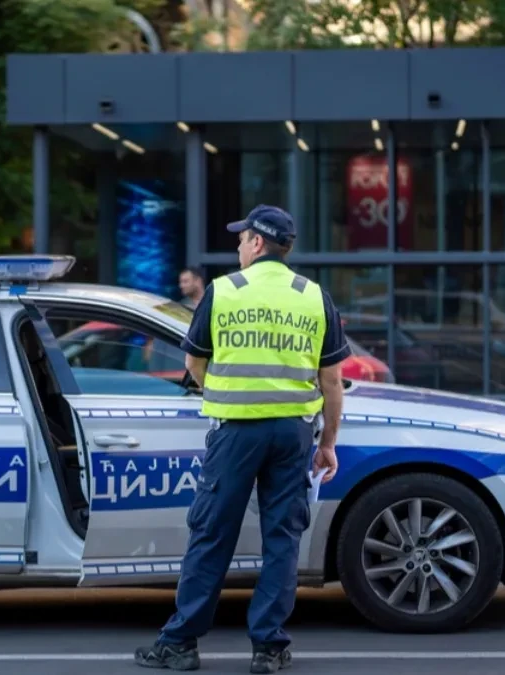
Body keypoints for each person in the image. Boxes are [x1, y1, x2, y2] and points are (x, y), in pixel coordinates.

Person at [134, 205, 349, 674]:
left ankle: (181, 643)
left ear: (256, 243)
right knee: (282, 537)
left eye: (240, 238)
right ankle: (268, 649)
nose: (237, 246)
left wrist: (224, 394)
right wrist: (328, 443)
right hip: (293, 433)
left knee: (212, 533)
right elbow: (331, 380)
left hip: (235, 432)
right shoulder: (314, 296)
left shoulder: (223, 291)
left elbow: (194, 363)